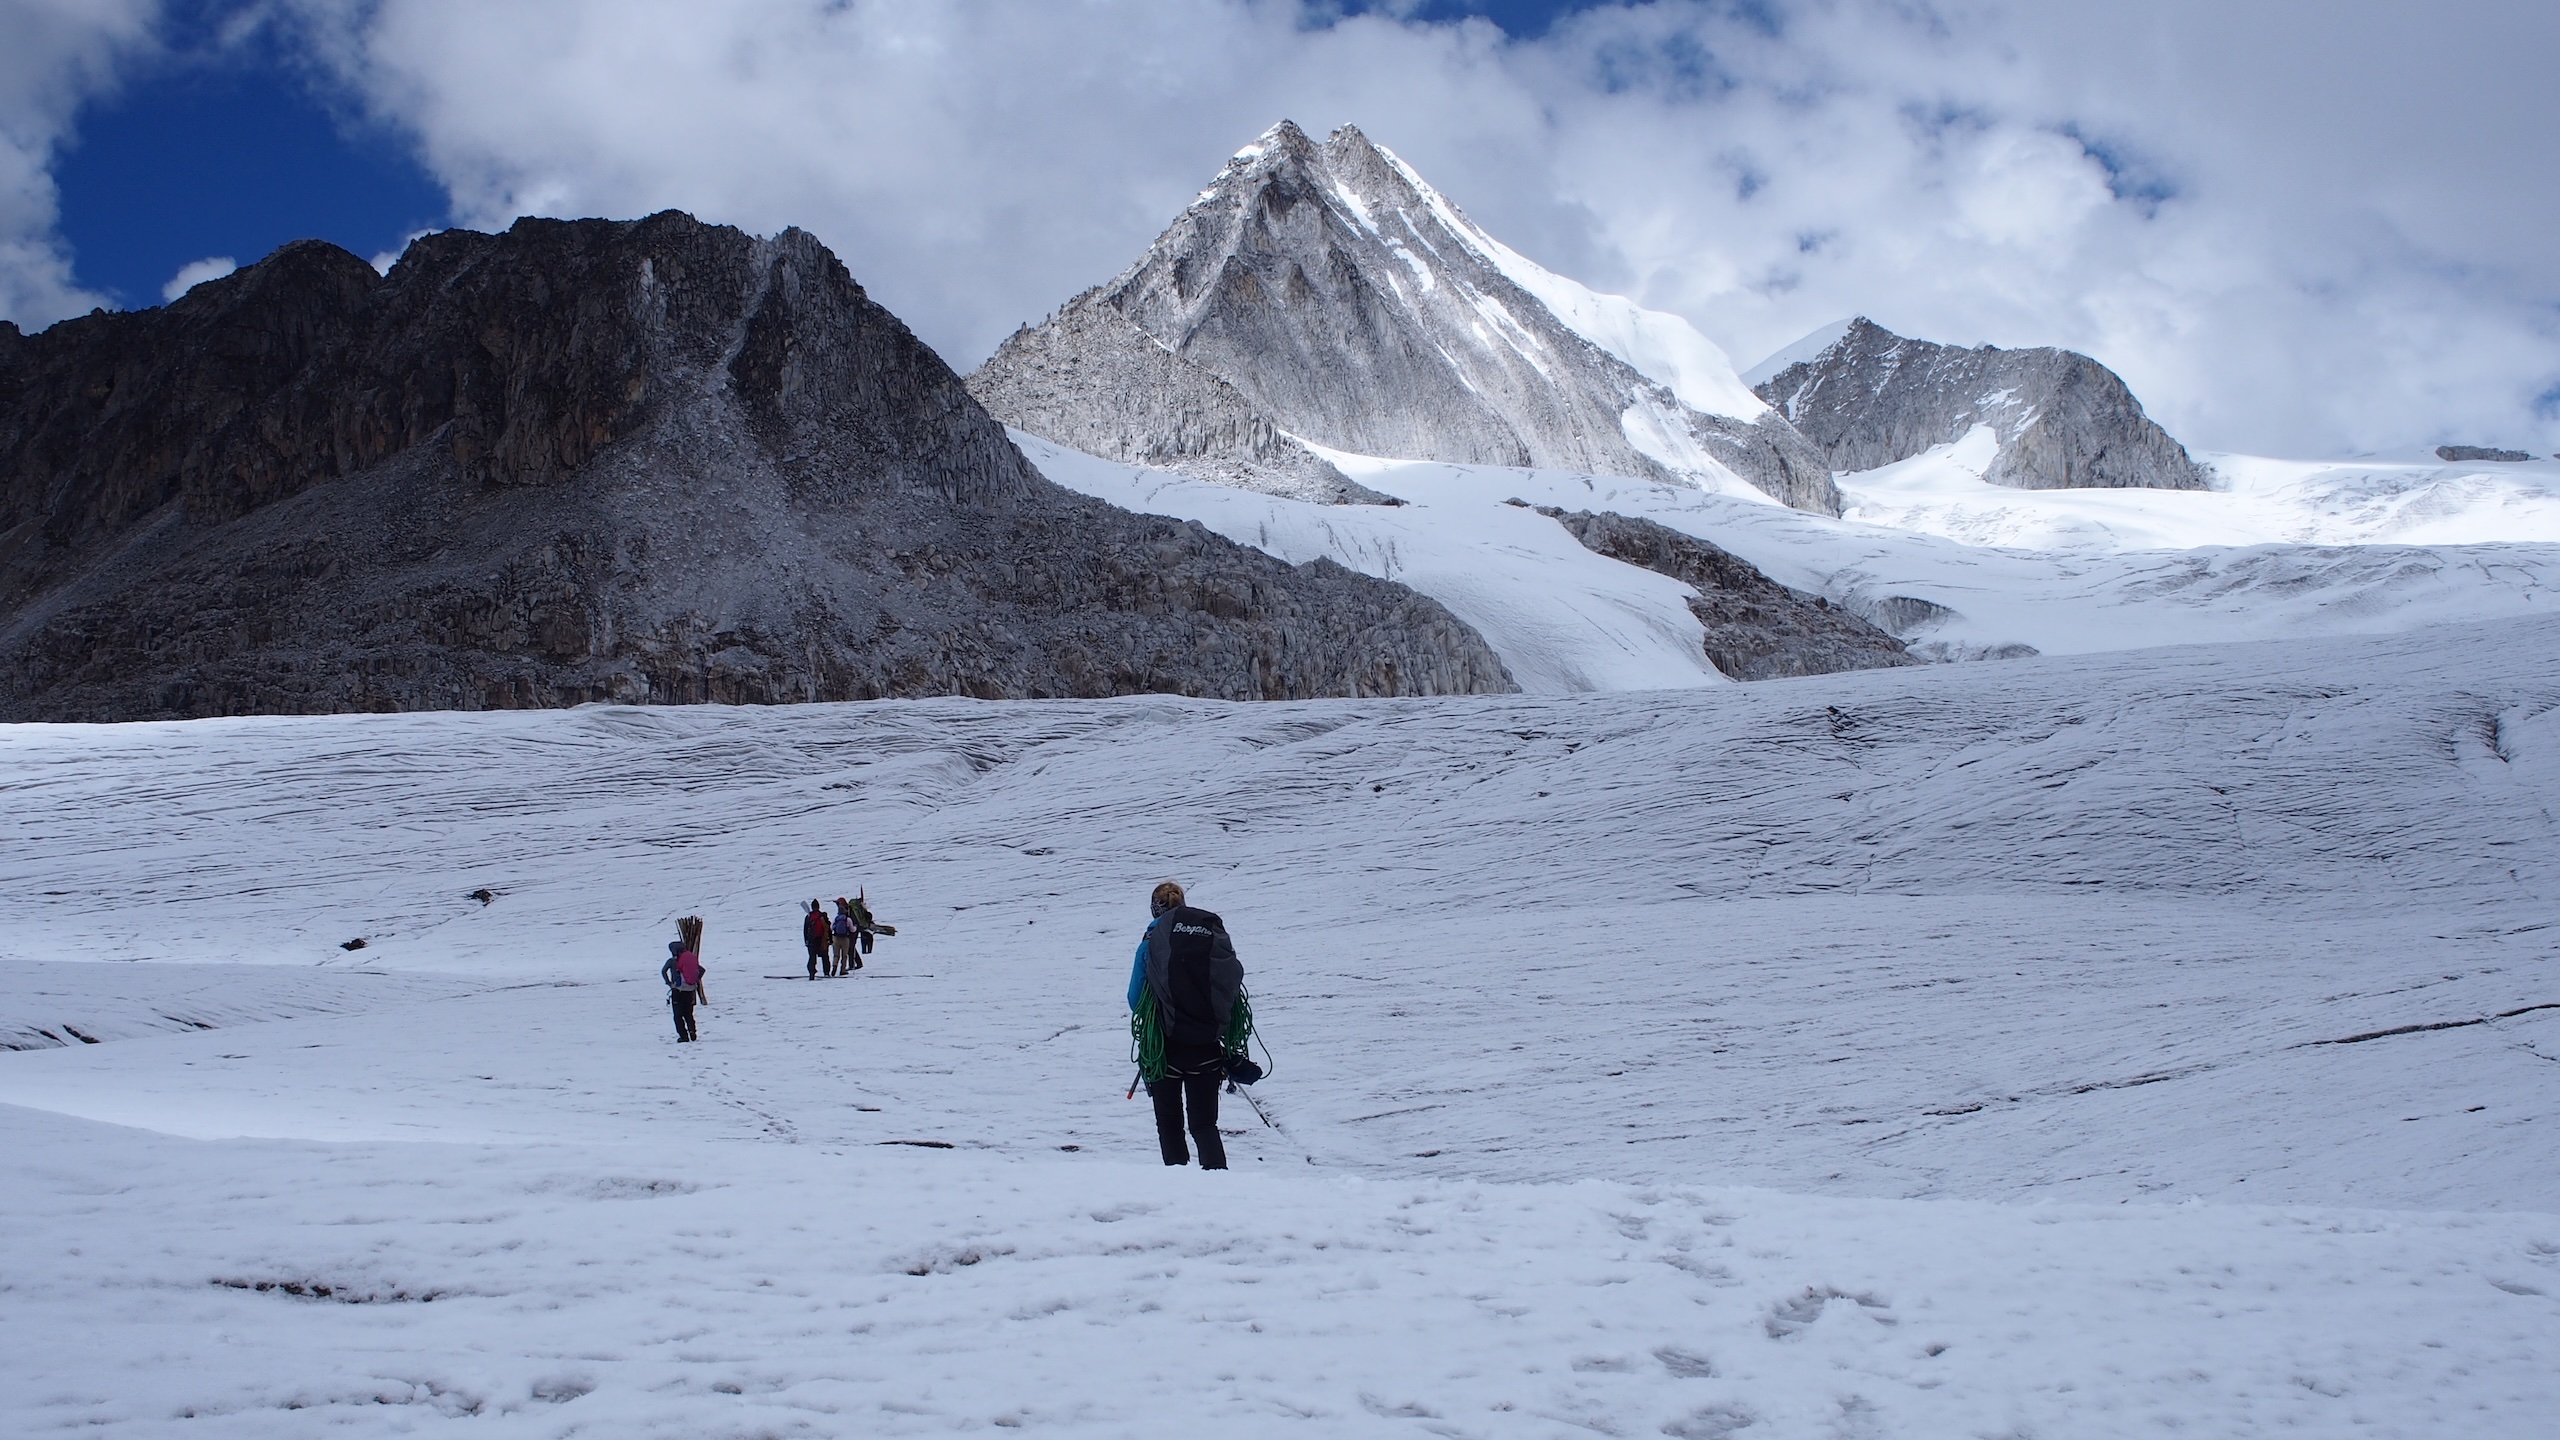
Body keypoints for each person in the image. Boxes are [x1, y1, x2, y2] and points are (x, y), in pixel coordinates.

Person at [1126, 880, 1242, 1169]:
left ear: (1155, 909)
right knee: (1204, 1125)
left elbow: (1135, 999)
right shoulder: (1208, 939)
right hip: (1206, 1048)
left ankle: (1179, 1188)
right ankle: (1218, 1182)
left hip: (1164, 1048)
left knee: (1169, 1126)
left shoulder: (1149, 944)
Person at [662, 939, 705, 1042]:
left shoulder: (672, 961)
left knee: (678, 1015)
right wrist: (695, 980)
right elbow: (702, 970)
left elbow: (663, 971)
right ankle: (692, 1032)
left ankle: (683, 1036)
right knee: (688, 1013)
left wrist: (669, 984)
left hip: (677, 991)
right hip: (690, 990)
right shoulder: (688, 960)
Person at [801, 899, 830, 980]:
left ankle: (812, 973)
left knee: (812, 957)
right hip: (822, 940)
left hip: (811, 941)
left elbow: (805, 930)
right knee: (825, 957)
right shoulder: (823, 916)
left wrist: (806, 941)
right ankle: (826, 973)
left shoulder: (808, 917)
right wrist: (829, 939)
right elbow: (828, 928)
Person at [830, 899, 859, 975]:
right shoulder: (847, 919)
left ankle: (834, 966)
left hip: (836, 938)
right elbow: (852, 930)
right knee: (844, 955)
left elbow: (831, 928)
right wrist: (855, 927)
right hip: (845, 939)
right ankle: (843, 970)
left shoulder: (836, 919)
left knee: (836, 955)